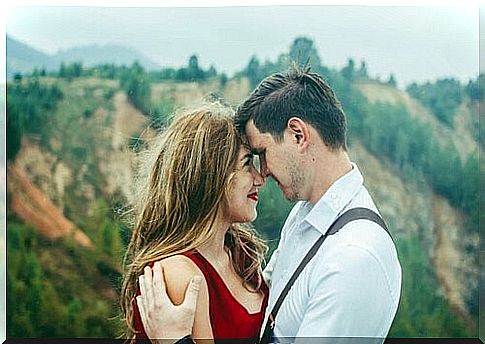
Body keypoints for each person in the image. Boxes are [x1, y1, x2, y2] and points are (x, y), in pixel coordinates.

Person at [137, 67, 402, 343]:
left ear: (298, 135)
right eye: (250, 161)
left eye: (261, 154)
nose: (261, 172)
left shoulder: (354, 258)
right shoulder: (305, 216)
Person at [120, 103, 270, 343]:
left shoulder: (240, 253)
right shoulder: (181, 275)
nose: (259, 177)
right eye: (246, 164)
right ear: (211, 176)